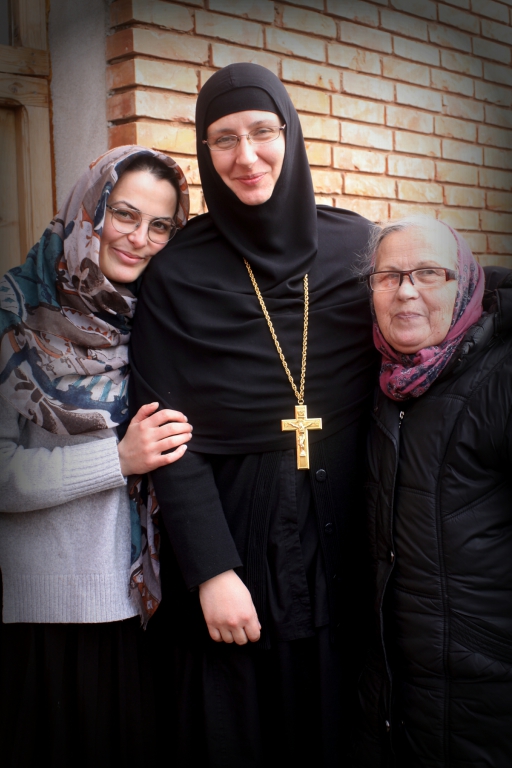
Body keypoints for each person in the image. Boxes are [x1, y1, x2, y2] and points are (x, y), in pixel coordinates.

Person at [130, 63, 379, 767]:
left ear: (290, 134)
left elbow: (432, 314)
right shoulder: (178, 271)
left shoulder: (357, 247)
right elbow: (167, 432)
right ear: (205, 152)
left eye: (263, 132)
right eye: (223, 139)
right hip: (235, 539)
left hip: (346, 538)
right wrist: (212, 570)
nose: (246, 156)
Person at [0, 145, 192, 767]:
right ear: (89, 210)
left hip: (147, 611)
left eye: (160, 225)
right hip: (46, 621)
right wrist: (117, 460)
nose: (139, 239)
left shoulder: (158, 319)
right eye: (125, 214)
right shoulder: (15, 314)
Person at [353, 215, 512, 768]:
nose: (406, 291)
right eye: (388, 276)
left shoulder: (501, 378)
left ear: (464, 283)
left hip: (486, 693)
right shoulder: (381, 381)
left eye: (428, 273)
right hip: (397, 694)